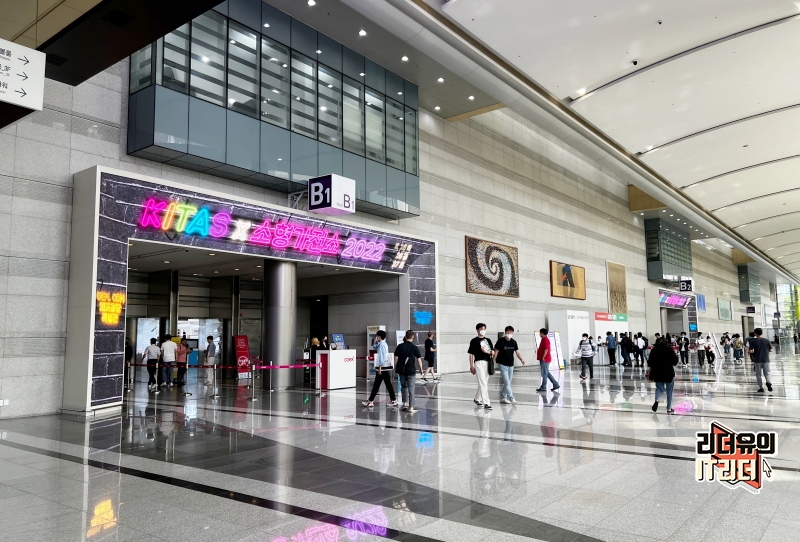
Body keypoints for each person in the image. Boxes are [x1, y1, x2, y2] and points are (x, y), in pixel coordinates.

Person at [362, 330, 397, 408]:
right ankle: (393, 400)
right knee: (386, 384)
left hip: (382, 367)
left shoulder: (382, 345)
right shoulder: (382, 343)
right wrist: (375, 342)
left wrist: (380, 367)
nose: (376, 337)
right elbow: (375, 347)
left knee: (377, 385)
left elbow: (382, 356)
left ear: (379, 337)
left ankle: (370, 401)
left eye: (377, 336)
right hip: (384, 367)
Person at [493, 326, 525, 404]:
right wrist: (493, 361)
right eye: (507, 332)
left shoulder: (514, 342)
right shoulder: (500, 341)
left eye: (510, 332)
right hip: (502, 364)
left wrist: (521, 359)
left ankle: (503, 397)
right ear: (505, 332)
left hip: (511, 364)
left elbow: (517, 352)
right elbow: (496, 351)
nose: (509, 333)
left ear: (513, 333)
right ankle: (511, 398)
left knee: (508, 383)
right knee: (507, 382)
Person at [648, 334, 679, 414]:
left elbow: (649, 363)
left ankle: (657, 400)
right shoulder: (669, 349)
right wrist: (677, 357)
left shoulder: (654, 350)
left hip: (657, 373)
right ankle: (669, 408)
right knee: (669, 391)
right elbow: (675, 362)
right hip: (668, 372)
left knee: (659, 388)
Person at [395, 330, 424, 412]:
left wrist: (395, 368)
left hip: (402, 370)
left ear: (405, 336)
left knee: (403, 387)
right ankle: (411, 407)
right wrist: (421, 369)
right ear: (413, 337)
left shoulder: (399, 346)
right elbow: (419, 360)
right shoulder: (414, 347)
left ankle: (404, 404)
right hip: (411, 370)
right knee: (411, 388)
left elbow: (396, 358)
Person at [468, 323, 494, 409]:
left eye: (484, 329)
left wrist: (486, 352)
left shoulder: (488, 340)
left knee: (484, 382)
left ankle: (477, 399)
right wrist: (471, 366)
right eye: (481, 329)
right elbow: (471, 354)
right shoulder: (474, 341)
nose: (483, 330)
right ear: (477, 330)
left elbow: (493, 352)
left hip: (487, 362)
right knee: (483, 382)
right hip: (478, 362)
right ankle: (487, 403)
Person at [536, 328, 560, 392]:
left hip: (545, 359)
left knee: (544, 373)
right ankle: (555, 384)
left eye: (540, 333)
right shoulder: (543, 339)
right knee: (546, 372)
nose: (539, 334)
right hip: (545, 358)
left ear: (542, 333)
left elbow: (546, 349)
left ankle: (543, 387)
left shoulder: (545, 340)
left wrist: (543, 357)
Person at [749, 328, 773, 393]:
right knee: (767, 373)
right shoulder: (767, 340)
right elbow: (771, 350)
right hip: (766, 359)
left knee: (758, 374)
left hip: (757, 360)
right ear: (762, 333)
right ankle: (768, 382)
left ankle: (761, 388)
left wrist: (754, 351)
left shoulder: (753, 341)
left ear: (755, 333)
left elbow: (751, 351)